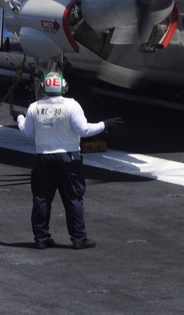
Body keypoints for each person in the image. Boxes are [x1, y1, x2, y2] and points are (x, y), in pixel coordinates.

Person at [16, 70, 123, 250]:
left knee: (41, 198)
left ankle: (41, 238)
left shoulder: (34, 107)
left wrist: (20, 117)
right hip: (68, 158)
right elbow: (84, 130)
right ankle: (78, 239)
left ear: (43, 87)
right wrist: (106, 124)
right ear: (64, 87)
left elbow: (26, 132)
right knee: (73, 198)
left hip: (43, 157)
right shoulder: (72, 105)